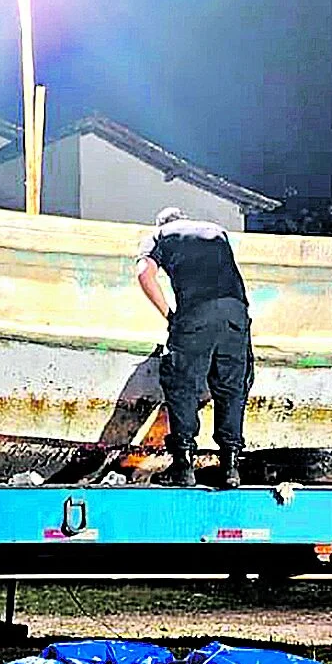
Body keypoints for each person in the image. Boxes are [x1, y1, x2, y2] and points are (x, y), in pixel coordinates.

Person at [135, 206, 252, 488]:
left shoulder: (159, 234)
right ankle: (230, 467)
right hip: (236, 314)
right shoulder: (216, 231)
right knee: (231, 387)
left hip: (195, 314)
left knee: (182, 385)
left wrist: (169, 315)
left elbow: (144, 274)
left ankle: (183, 467)